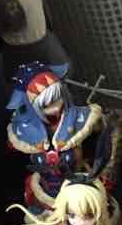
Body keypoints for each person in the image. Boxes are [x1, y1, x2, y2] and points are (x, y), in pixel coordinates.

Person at [6, 61, 106, 211]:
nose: (57, 107)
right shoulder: (25, 130)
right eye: (46, 105)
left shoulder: (79, 119)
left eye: (58, 98)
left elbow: (102, 139)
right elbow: (12, 148)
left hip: (77, 188)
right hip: (45, 192)